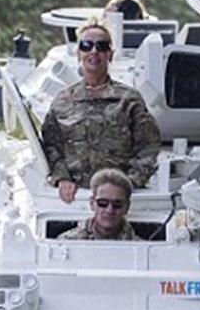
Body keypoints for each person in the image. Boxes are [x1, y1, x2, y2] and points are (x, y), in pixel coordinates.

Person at [40, 20, 161, 203]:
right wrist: (62, 178)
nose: (94, 51)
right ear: (79, 53)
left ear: (110, 55)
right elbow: (51, 147)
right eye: (87, 45)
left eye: (101, 46)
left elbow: (148, 147)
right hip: (75, 198)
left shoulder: (129, 99)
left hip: (118, 203)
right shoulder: (62, 101)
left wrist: (129, 183)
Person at [59, 168, 138, 240]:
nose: (109, 210)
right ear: (92, 204)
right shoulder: (67, 241)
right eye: (102, 203)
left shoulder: (143, 247)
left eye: (117, 204)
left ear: (127, 207)